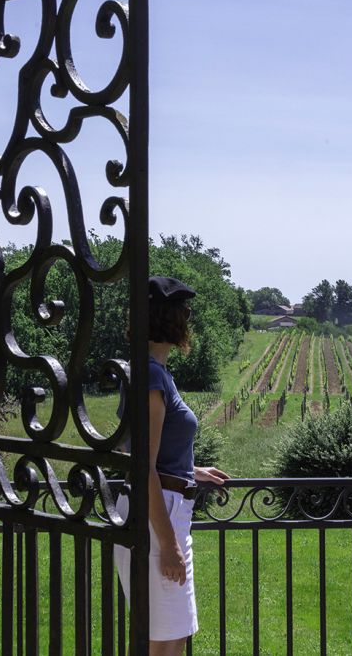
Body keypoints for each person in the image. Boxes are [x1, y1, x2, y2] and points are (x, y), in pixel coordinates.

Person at [114, 275, 229, 655]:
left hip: (160, 509)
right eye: (184, 312)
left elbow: (148, 455)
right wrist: (168, 545)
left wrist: (193, 472)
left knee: (165, 639)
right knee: (166, 644)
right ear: (172, 320)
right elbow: (142, 465)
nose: (188, 319)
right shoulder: (150, 376)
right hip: (158, 516)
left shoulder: (151, 372)